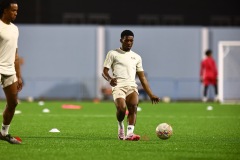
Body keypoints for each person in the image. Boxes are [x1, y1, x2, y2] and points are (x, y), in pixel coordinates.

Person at [102, 30, 160, 141]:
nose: (129, 43)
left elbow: (142, 78)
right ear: (121, 40)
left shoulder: (137, 57)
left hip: (132, 86)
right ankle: (120, 126)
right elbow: (104, 71)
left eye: (131, 41)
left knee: (133, 107)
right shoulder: (113, 53)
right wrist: (110, 79)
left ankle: (130, 133)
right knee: (121, 109)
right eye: (127, 40)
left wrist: (151, 94)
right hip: (118, 86)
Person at [0, 0, 23, 144]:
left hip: (9, 70)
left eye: (17, 11)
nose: (15, 13)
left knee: (13, 103)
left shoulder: (15, 29)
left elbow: (15, 55)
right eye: (13, 10)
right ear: (5, 10)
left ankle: (3, 133)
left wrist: (19, 76)